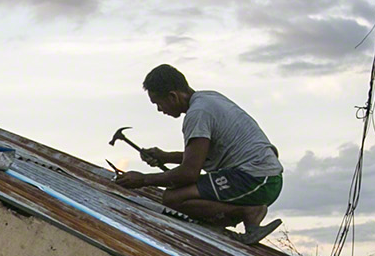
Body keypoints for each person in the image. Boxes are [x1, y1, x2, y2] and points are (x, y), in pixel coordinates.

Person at [115, 64, 285, 241]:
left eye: (158, 103)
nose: (159, 109)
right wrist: (166, 157)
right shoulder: (208, 98)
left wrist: (142, 179)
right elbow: (200, 155)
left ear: (173, 96)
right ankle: (239, 214)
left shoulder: (197, 114)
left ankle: (248, 212)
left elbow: (188, 173)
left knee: (173, 198)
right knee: (180, 190)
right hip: (263, 177)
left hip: (256, 179)